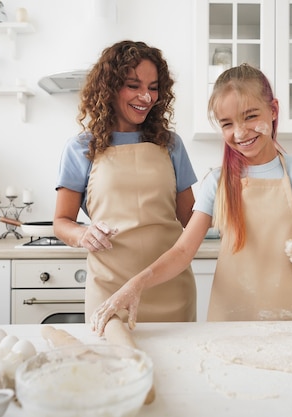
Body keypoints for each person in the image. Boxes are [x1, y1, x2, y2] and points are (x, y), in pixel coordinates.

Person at [91, 63, 292, 335]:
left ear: (273, 110)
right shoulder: (216, 182)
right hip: (234, 318)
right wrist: (135, 285)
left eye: (251, 116)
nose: (240, 133)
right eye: (227, 124)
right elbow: (182, 252)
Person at [53, 40, 198, 325]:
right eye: (134, 85)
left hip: (170, 288)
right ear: (109, 87)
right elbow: (61, 221)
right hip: (110, 291)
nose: (146, 96)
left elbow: (191, 219)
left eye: (153, 87)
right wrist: (82, 234)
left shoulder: (170, 145)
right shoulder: (82, 147)